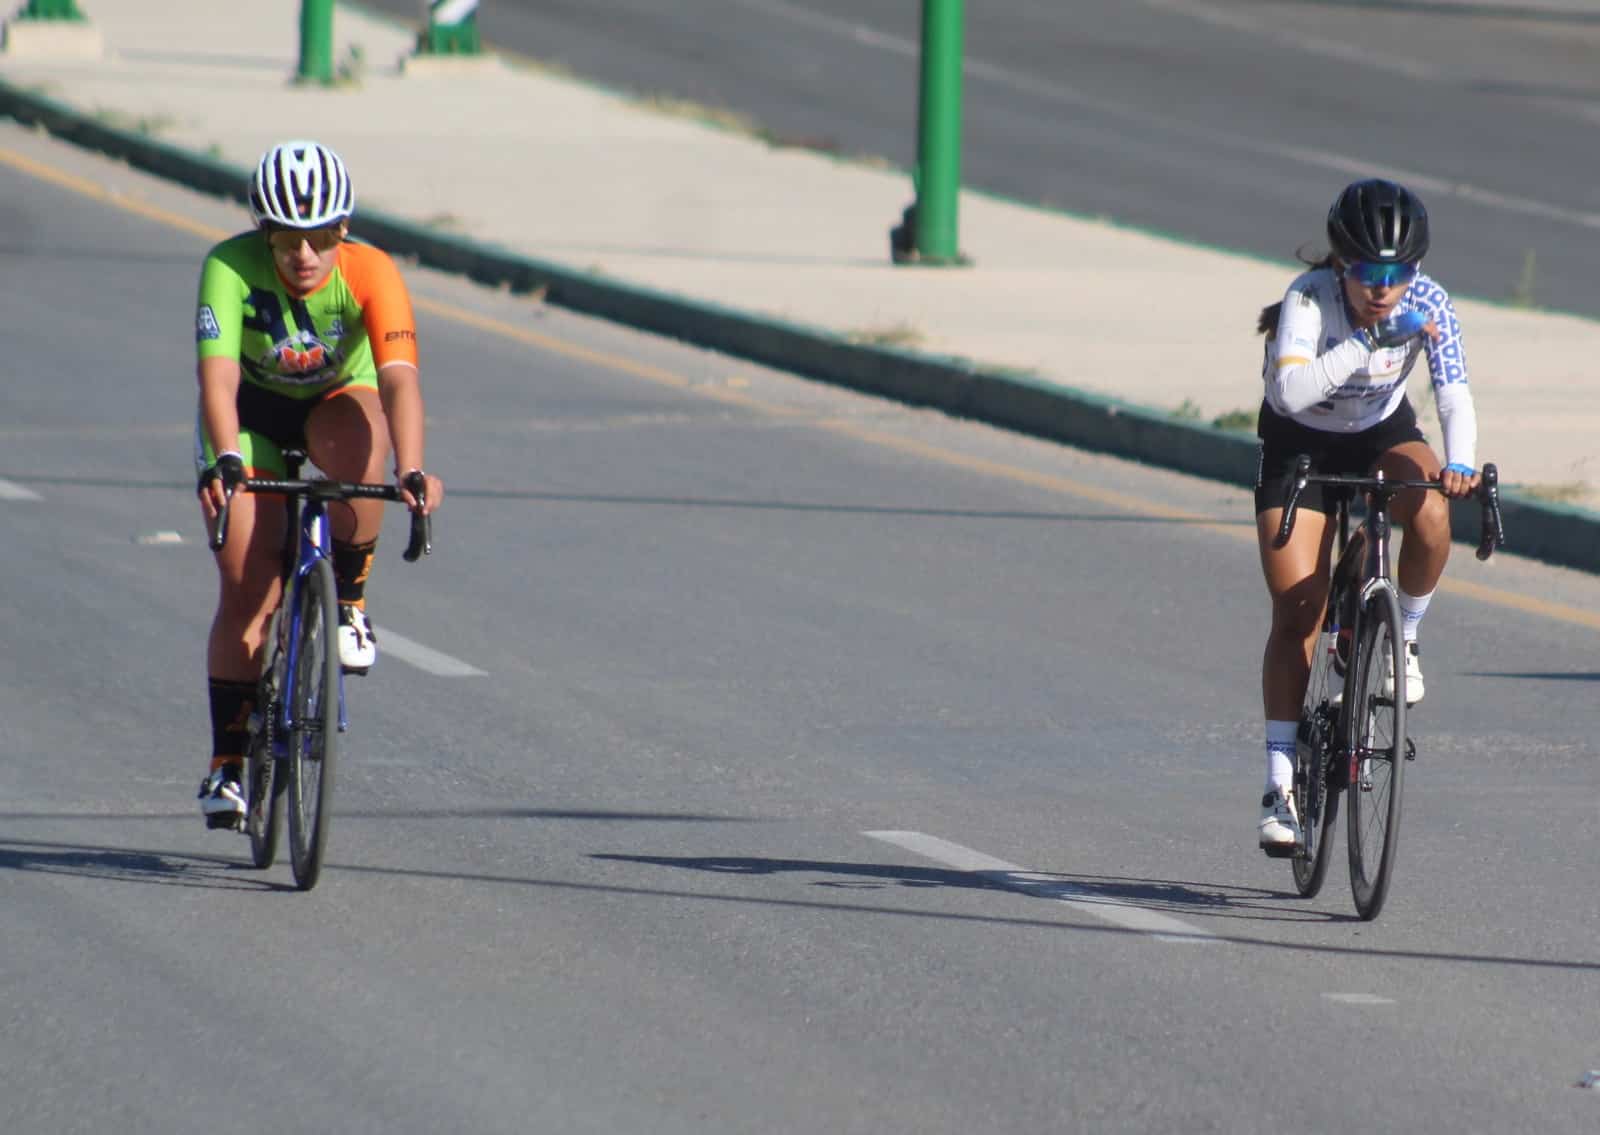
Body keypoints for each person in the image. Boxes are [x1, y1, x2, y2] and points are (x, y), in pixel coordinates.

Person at [193, 139, 443, 828]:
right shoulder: (227, 265)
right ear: (261, 232)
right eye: (286, 237)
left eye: (324, 235)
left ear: (345, 230)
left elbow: (399, 378)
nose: (305, 254)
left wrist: (413, 469)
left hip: (336, 403)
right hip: (251, 418)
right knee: (249, 578)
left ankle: (350, 603)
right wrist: (226, 461)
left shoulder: (372, 270)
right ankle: (229, 764)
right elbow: (217, 376)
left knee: (363, 449)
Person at [1253, 178, 1479, 853]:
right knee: (1299, 609)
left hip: (1380, 430)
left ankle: (1401, 636)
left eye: (1398, 274)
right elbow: (1292, 392)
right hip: (1300, 437)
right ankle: (1280, 785)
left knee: (1433, 513)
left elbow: (1454, 390)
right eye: (1368, 272)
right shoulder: (1309, 299)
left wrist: (1462, 460)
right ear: (1340, 262)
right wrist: (1372, 339)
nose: (1383, 287)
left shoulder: (1431, 300)